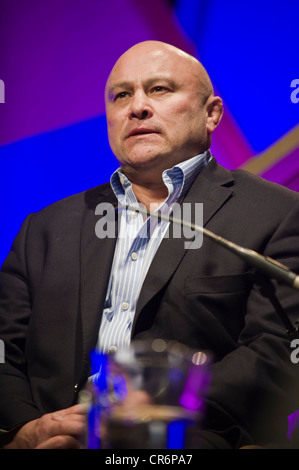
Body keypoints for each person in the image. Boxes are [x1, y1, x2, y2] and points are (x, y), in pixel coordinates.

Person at [1, 40, 299, 449]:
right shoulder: (45, 229)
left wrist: (148, 410)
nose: (136, 106)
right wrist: (22, 429)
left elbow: (278, 354)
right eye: (121, 95)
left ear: (211, 114)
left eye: (159, 89)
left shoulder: (277, 214)